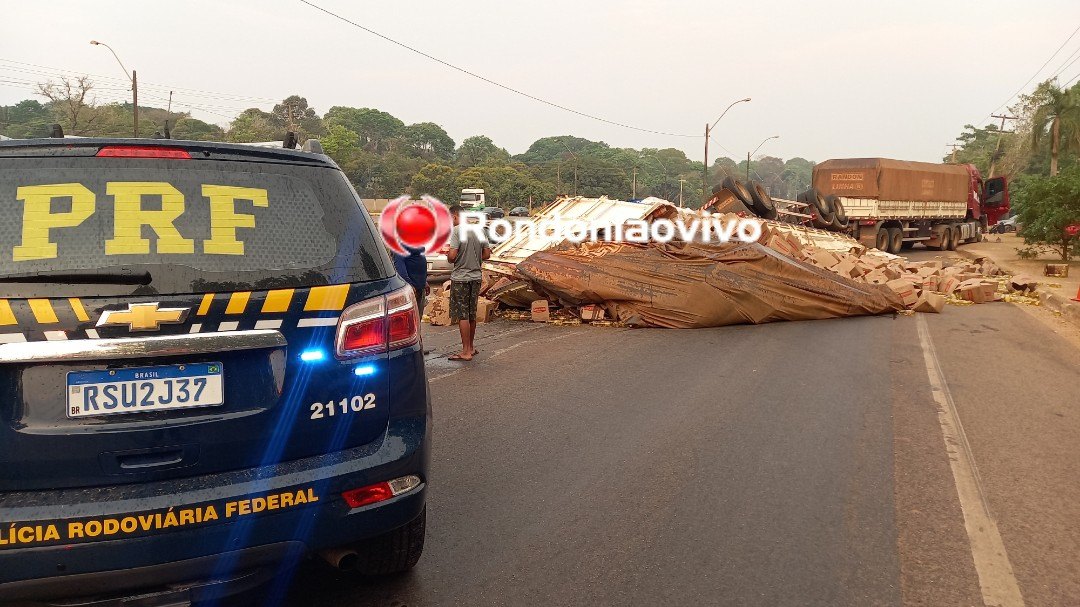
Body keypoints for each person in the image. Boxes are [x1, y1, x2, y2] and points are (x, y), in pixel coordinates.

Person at [446, 204, 490, 361]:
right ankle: (471, 347)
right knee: (471, 314)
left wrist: (451, 256)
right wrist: (474, 257)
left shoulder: (457, 231)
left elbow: (452, 256)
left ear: (455, 216)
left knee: (462, 315)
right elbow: (487, 254)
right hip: (476, 277)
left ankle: (465, 352)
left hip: (461, 278)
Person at [392, 244, 428, 310]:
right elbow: (399, 267)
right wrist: (409, 285)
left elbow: (418, 261)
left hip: (420, 288)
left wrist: (425, 282)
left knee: (418, 316)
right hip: (411, 290)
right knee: (411, 317)